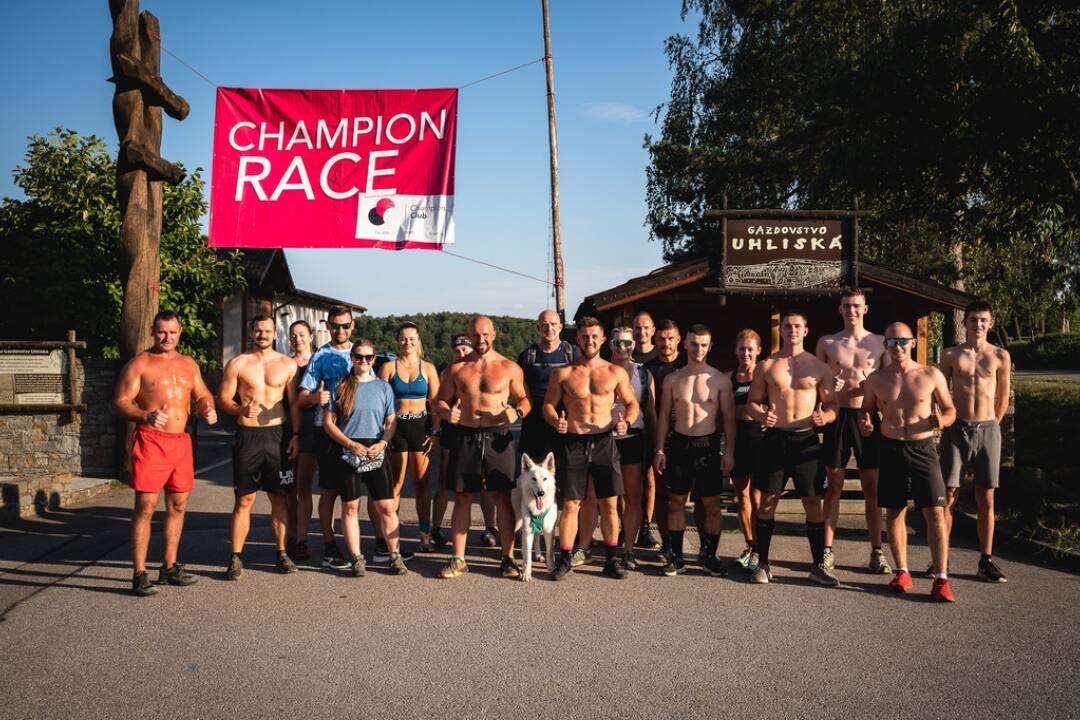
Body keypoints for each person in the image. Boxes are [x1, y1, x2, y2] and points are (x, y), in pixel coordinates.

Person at [113, 310, 218, 596]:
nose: (167, 337)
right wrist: (144, 415)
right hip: (151, 441)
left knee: (178, 506)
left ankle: (169, 567)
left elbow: (203, 394)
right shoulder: (140, 364)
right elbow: (120, 402)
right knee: (145, 507)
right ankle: (139, 573)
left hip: (180, 443)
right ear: (152, 331)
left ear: (180, 333)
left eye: (172, 332)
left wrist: (207, 407)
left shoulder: (188, 364)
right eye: (161, 331)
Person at [860, 322, 957, 602]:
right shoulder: (876, 379)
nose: (897, 346)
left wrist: (944, 421)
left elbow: (950, 409)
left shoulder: (931, 374)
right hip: (890, 448)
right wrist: (865, 423)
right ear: (885, 345)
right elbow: (865, 412)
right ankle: (902, 571)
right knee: (895, 511)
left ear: (913, 343)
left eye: (902, 341)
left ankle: (941, 578)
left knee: (935, 512)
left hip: (923, 447)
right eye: (891, 342)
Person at [746, 309, 840, 586]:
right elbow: (752, 402)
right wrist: (761, 415)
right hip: (775, 439)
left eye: (798, 326)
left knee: (812, 501)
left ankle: (818, 566)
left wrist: (827, 416)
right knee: (767, 501)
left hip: (806, 440)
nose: (793, 330)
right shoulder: (767, 365)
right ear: (782, 330)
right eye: (788, 326)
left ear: (806, 331)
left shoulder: (818, 367)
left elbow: (832, 405)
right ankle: (763, 563)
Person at [435, 316, 531, 579]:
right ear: (469, 335)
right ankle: (458, 559)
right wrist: (446, 414)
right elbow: (440, 402)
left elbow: (525, 400)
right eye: (476, 335)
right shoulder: (455, 370)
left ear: (494, 334)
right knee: (463, 497)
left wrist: (517, 413)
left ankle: (508, 559)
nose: (481, 340)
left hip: (497, 436)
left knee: (503, 498)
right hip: (465, 436)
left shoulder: (508, 367)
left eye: (486, 334)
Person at [544, 317, 639, 580]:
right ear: (578, 340)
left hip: (604, 440)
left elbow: (632, 404)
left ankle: (612, 559)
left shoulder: (615, 373)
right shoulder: (562, 373)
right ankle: (565, 557)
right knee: (571, 503)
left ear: (603, 339)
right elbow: (548, 406)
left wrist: (626, 423)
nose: (590, 341)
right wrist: (556, 421)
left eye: (594, 336)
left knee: (608, 503)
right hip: (573, 441)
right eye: (585, 337)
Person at [815, 287, 892, 574]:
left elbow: (889, 381)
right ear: (840, 309)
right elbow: (816, 381)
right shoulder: (828, 342)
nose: (852, 311)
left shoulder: (879, 342)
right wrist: (828, 387)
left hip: (866, 415)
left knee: (871, 487)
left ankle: (877, 551)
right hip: (837, 417)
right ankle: (827, 550)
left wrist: (870, 386)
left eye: (857, 306)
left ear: (865, 308)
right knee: (833, 485)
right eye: (847, 306)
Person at [218, 315, 299, 579]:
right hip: (248, 437)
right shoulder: (238, 363)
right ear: (251, 332)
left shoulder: (288, 365)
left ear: (275, 334)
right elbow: (223, 399)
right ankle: (236, 557)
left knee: (279, 498)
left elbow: (294, 403)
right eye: (258, 330)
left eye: (267, 331)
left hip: (277, 436)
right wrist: (240, 408)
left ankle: (282, 553)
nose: (263, 334)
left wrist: (296, 435)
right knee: (244, 499)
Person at [654, 323, 735, 577]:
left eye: (703, 344)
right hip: (679, 444)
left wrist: (729, 451)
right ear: (685, 344)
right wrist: (659, 449)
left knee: (711, 503)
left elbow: (728, 417)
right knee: (676, 501)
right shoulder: (673, 379)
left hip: (708, 446)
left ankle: (710, 555)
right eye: (694, 344)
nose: (698, 349)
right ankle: (676, 557)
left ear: (709, 346)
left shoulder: (720, 379)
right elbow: (664, 415)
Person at [939, 301, 1011, 583]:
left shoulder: (1000, 356)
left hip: (988, 428)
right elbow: (939, 391)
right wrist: (943, 419)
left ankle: (986, 559)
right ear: (965, 323)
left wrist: (994, 423)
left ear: (990, 323)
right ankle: (940, 557)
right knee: (949, 495)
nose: (978, 325)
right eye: (973, 320)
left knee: (987, 497)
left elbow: (1003, 395)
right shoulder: (950, 355)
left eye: (983, 320)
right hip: (957, 429)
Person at [325, 339, 405, 575]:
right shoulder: (340, 385)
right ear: (352, 358)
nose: (363, 361)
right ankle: (357, 558)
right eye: (359, 357)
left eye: (369, 357)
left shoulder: (383, 387)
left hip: (376, 449)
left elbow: (391, 421)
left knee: (386, 507)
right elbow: (329, 423)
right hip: (349, 450)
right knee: (350, 507)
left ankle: (394, 555)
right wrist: (349, 444)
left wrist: (383, 443)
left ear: (374, 358)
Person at [297, 306, 356, 571]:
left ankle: (360, 545)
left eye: (345, 326)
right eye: (335, 325)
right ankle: (330, 547)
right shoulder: (321, 355)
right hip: (327, 430)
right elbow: (301, 397)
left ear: (352, 326)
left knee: (353, 493)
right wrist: (313, 398)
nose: (340, 330)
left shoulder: (361, 354)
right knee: (330, 490)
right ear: (328, 326)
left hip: (356, 431)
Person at [378, 322, 441, 554]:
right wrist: (384, 434)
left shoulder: (429, 368)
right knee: (395, 484)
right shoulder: (388, 368)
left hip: (421, 426)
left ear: (418, 340)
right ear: (397, 340)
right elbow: (379, 402)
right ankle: (391, 538)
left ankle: (425, 535)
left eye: (412, 339)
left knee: (421, 482)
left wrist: (435, 432)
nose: (408, 343)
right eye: (403, 339)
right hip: (397, 426)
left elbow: (436, 405)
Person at [609, 326, 657, 570]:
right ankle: (611, 544)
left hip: (634, 437)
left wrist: (658, 447)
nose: (623, 348)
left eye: (627, 343)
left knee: (632, 495)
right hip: (605, 438)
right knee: (608, 498)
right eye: (617, 343)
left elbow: (650, 412)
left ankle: (628, 549)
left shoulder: (643, 373)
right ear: (610, 345)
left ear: (634, 345)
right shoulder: (601, 369)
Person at [643, 320, 687, 555]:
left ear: (678, 339)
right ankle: (667, 539)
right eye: (661, 338)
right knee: (661, 493)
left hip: (687, 436)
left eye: (670, 338)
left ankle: (701, 546)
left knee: (684, 495)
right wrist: (656, 442)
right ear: (655, 339)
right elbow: (650, 410)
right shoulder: (649, 369)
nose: (666, 343)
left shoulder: (688, 364)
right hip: (659, 436)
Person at [433, 333, 474, 547]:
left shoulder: (479, 369)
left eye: (465, 350)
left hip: (475, 433)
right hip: (451, 431)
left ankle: (490, 527)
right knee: (443, 480)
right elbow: (437, 403)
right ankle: (436, 528)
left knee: (481, 484)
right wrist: (437, 431)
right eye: (457, 351)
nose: (461, 354)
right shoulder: (447, 371)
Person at [730, 329, 764, 570]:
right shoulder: (727, 378)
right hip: (737, 441)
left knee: (758, 498)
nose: (746, 353)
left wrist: (742, 411)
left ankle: (761, 551)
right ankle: (751, 545)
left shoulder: (765, 377)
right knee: (742, 498)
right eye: (742, 348)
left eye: (750, 349)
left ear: (759, 351)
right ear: (736, 350)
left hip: (761, 442)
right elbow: (726, 413)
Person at [285, 320, 315, 561]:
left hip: (312, 431)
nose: (297, 339)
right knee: (288, 489)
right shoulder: (284, 364)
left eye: (302, 334)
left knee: (304, 487)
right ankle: (290, 537)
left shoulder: (319, 362)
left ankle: (303, 538)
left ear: (311, 336)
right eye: (293, 335)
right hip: (286, 430)